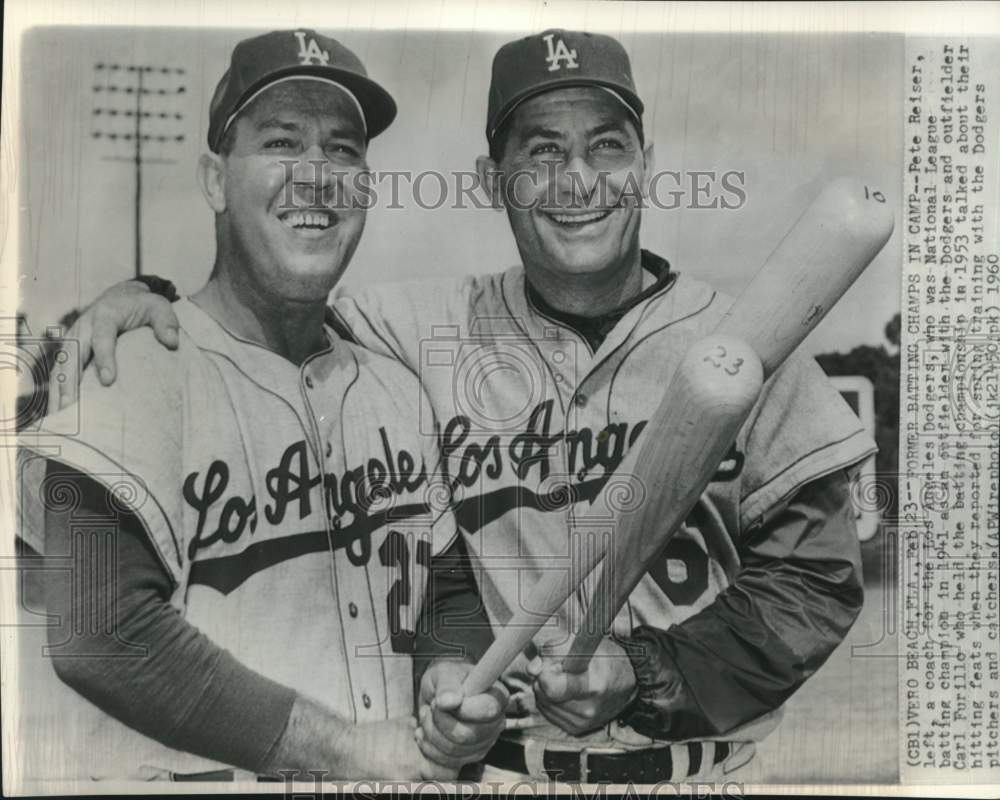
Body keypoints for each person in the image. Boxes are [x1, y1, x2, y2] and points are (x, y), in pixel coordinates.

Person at [49, 29, 874, 784]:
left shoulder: (748, 339)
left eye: (607, 147)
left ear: (646, 165)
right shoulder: (412, 331)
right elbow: (258, 306)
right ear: (491, 182)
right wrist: (137, 298)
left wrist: (647, 673)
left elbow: (819, 582)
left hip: (698, 772)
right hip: (496, 771)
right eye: (542, 151)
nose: (578, 180)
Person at [16, 29, 507, 782]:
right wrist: (348, 749)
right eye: (282, 142)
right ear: (215, 180)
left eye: (343, 151)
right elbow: (99, 632)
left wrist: (450, 672)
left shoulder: (394, 388)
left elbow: (445, 592)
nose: (316, 176)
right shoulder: (129, 364)